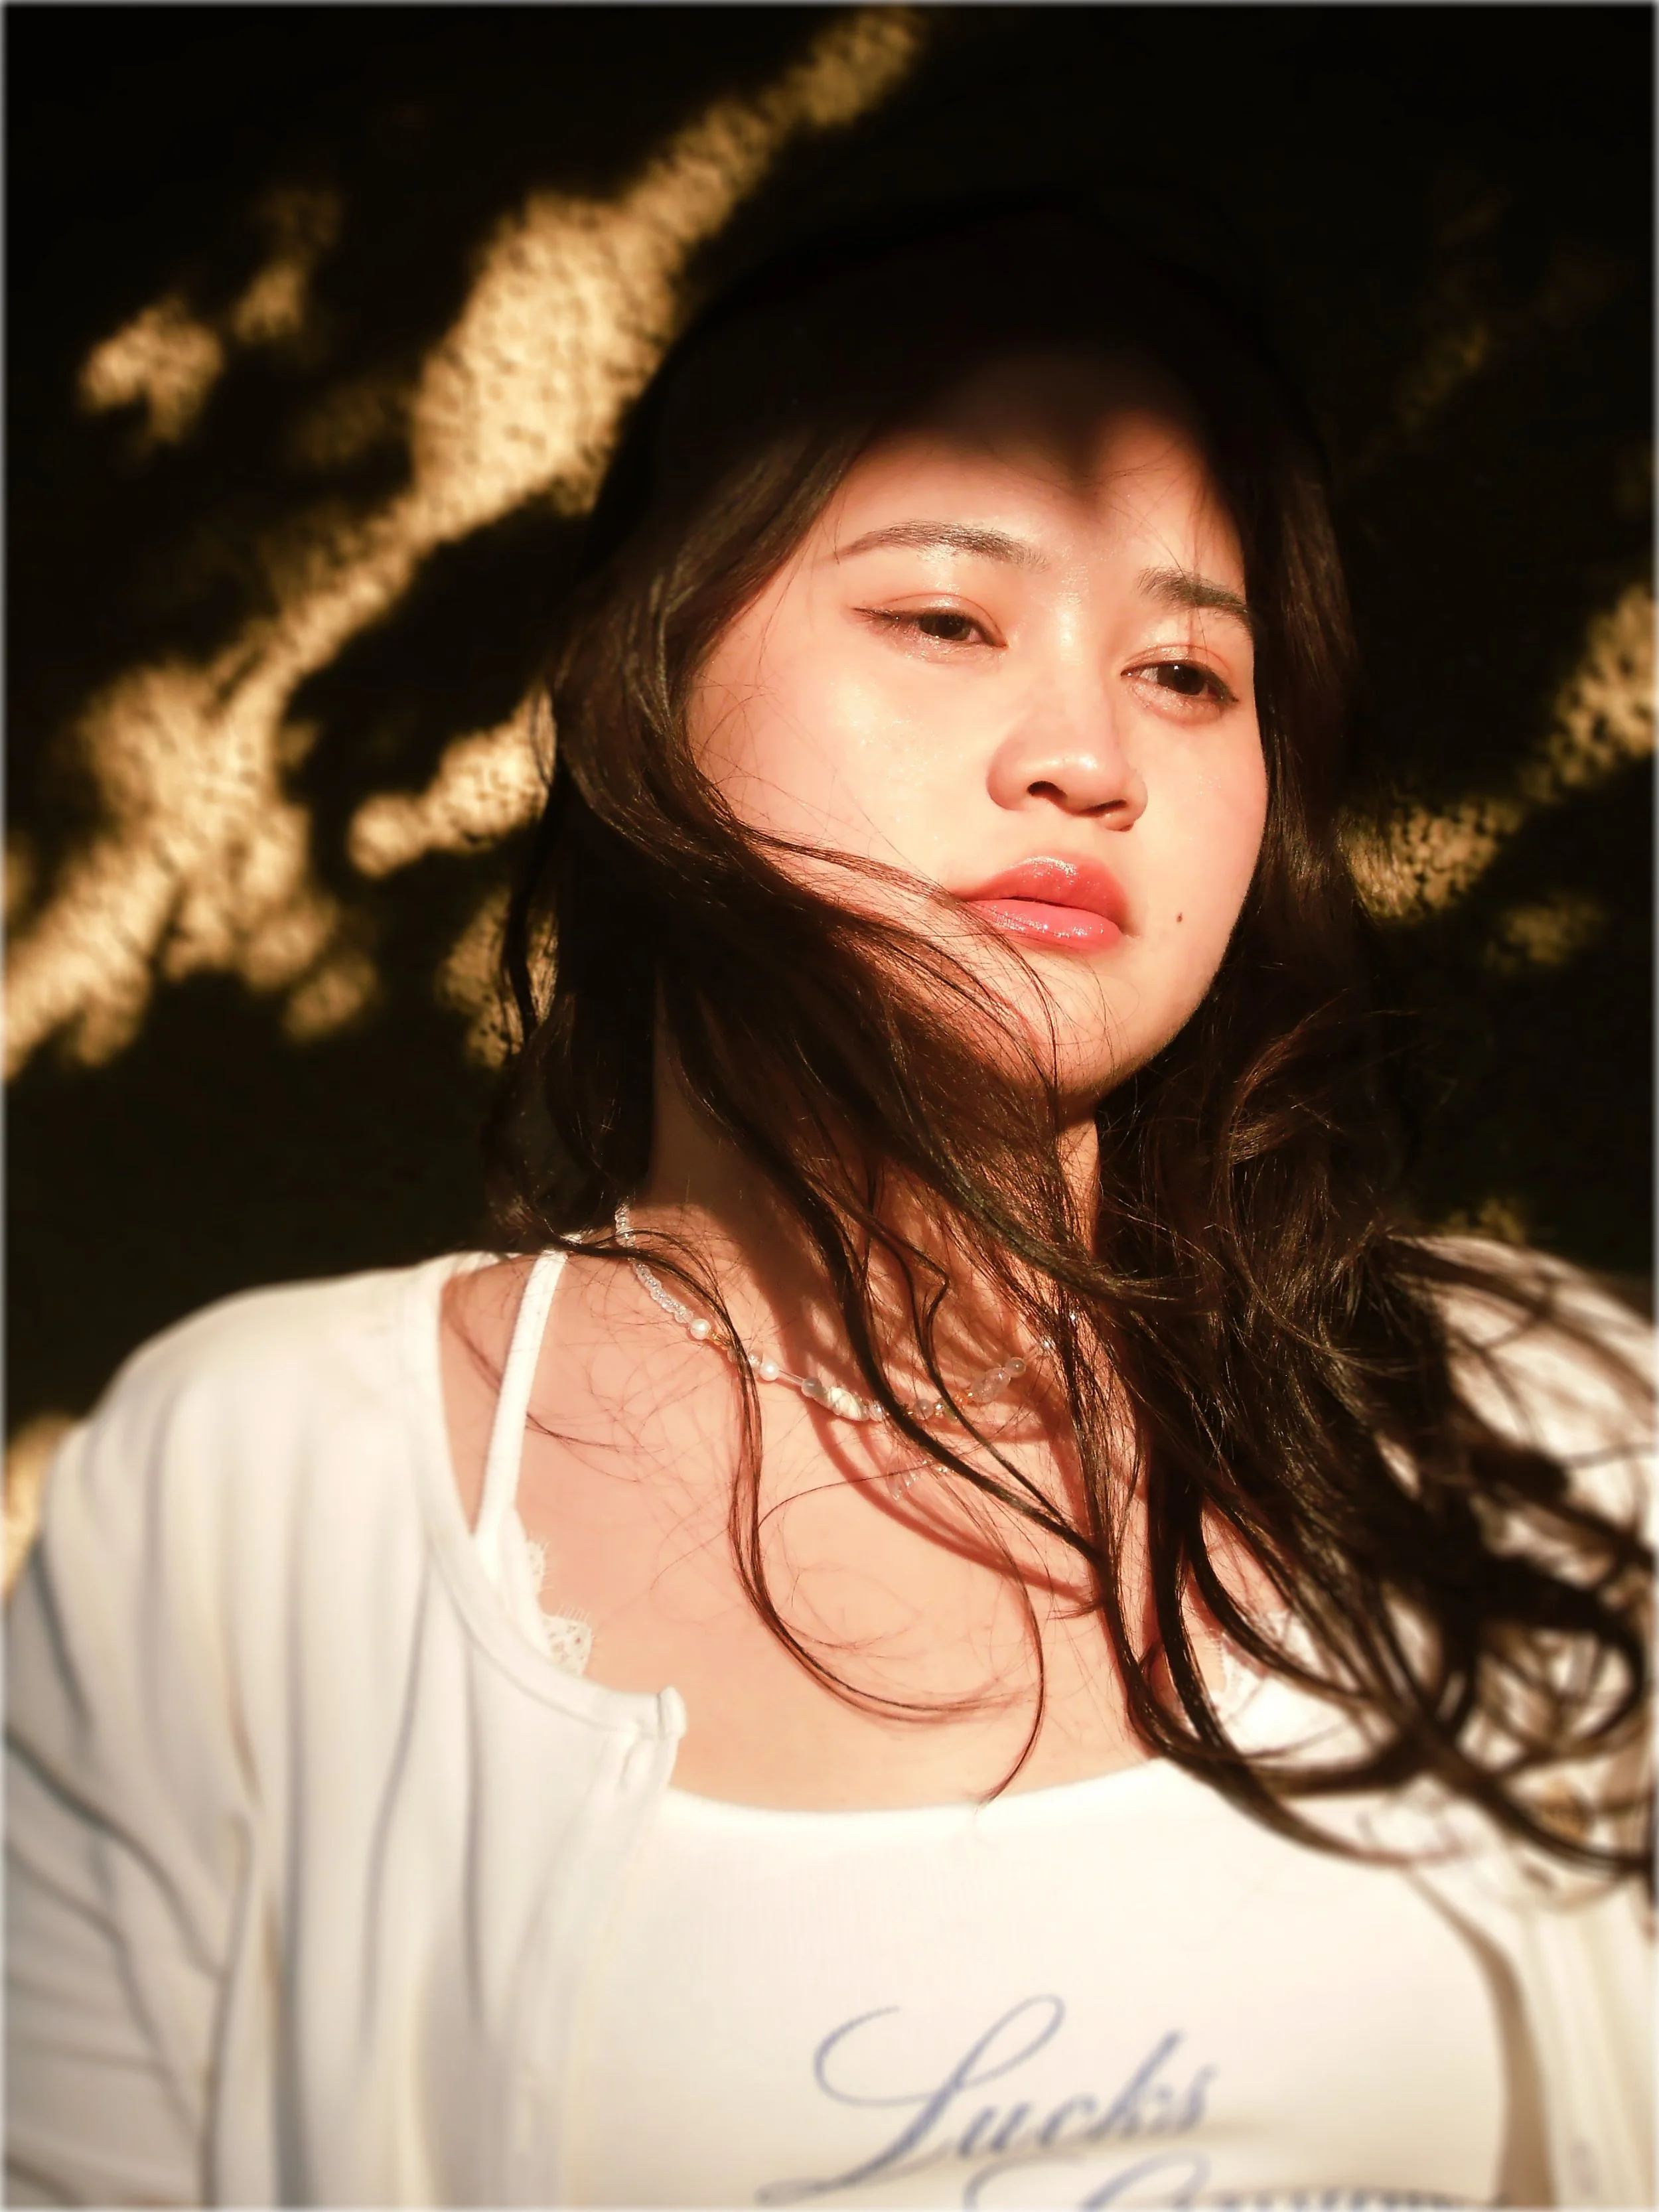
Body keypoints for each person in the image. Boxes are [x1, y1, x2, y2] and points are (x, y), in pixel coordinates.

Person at [6, 204, 1652, 2210]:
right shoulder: (265, 1493)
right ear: (642, 677)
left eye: (1189, 670)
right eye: (946, 621)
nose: (1085, 756)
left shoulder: (1551, 1433)